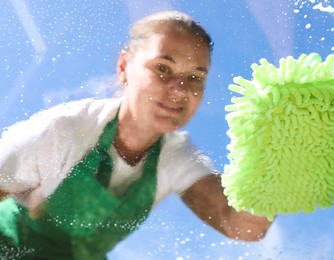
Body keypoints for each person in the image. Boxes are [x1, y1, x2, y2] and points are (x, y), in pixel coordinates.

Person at [0, 10, 272, 259]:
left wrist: (281, 154)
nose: (180, 90)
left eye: (195, 78)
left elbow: (240, 223)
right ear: (124, 67)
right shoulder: (64, 130)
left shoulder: (175, 156)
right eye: (163, 68)